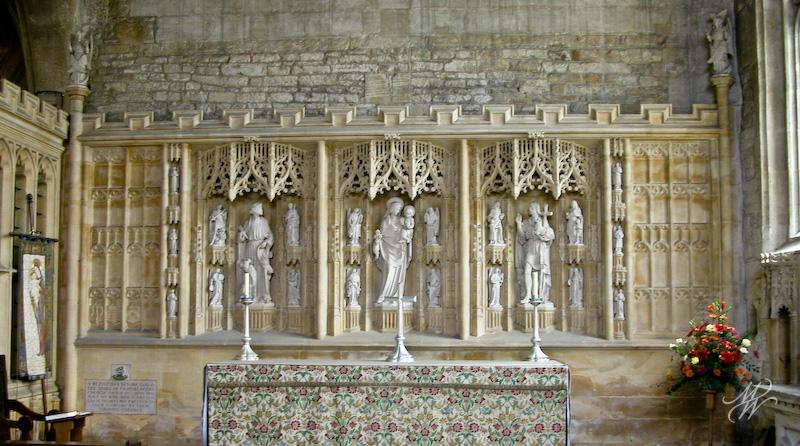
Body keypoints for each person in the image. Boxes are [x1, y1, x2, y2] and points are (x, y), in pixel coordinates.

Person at [373, 198, 414, 305]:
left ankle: (397, 297)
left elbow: (408, 231)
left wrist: (407, 236)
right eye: (396, 208)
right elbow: (383, 236)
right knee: (389, 272)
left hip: (401, 251)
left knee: (400, 275)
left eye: (399, 209)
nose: (397, 211)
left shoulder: (402, 220)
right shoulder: (386, 221)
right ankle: (385, 296)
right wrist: (378, 239)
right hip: (388, 251)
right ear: (390, 209)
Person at [238, 203, 274, 304]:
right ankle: (251, 294)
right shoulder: (248, 222)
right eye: (258, 209)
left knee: (262, 270)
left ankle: (263, 295)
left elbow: (270, 235)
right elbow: (242, 238)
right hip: (250, 247)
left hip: (260, 249)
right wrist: (242, 235)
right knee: (250, 270)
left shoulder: (263, 222)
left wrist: (266, 242)